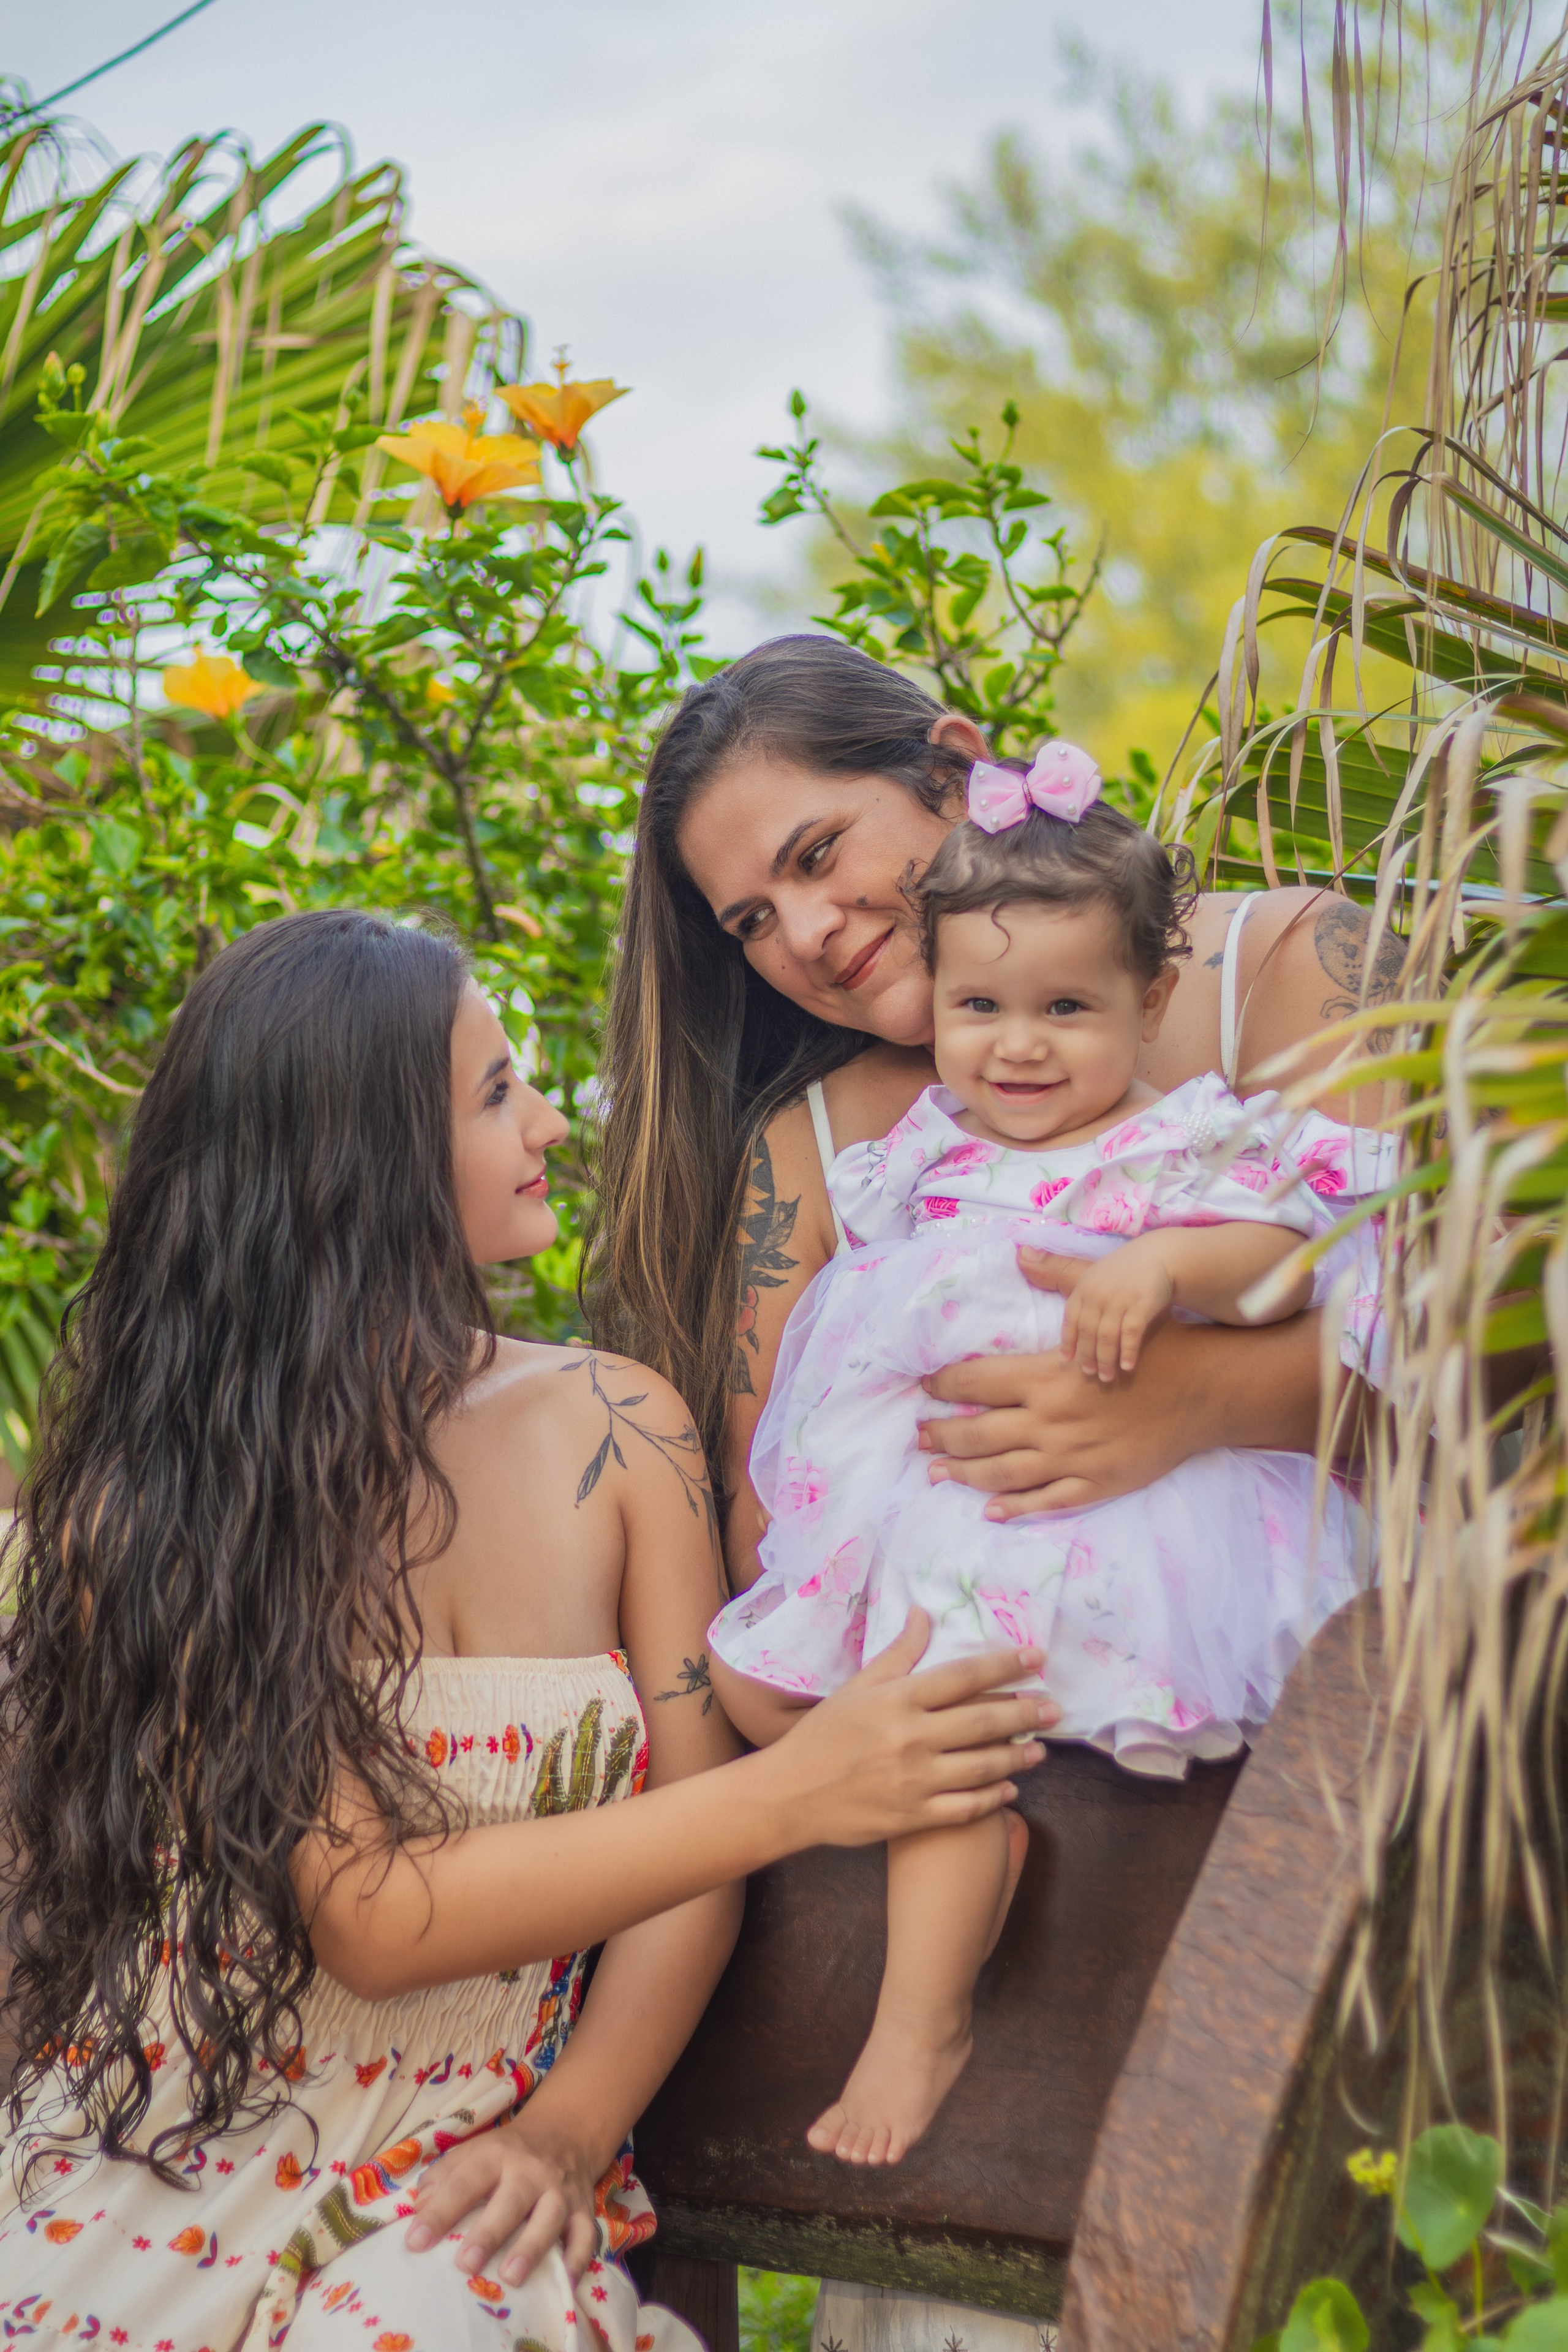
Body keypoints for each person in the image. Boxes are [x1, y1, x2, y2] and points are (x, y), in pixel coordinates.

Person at [0, 910, 1054, 2352]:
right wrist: (802, 1788)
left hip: (465, 2176)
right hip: (175, 2156)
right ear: (353, 1166)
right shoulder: (175, 1505)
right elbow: (369, 1918)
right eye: (497, 1093)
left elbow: (694, 1857)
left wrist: (571, 2128)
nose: (549, 1120)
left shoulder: (613, 1428)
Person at [706, 743, 1382, 2168]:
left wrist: (1169, 1276)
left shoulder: (1183, 1136)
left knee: (962, 1686)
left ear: (1148, 1003)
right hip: (956, 1508)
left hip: (1120, 1516)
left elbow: (1302, 1256)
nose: (1016, 1045)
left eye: (1063, 1010)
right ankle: (922, 2007)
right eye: (980, 1010)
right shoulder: (919, 1147)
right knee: (826, 1694)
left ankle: (922, 2024)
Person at [584, 635, 1400, 1597]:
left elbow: (1510, 1323)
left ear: (956, 769)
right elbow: (770, 1528)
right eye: (752, 922)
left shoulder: (1284, 964)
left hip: (1344, 1671)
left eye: (816, 855)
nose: (803, 934)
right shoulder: (813, 1151)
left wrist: (1193, 1401)